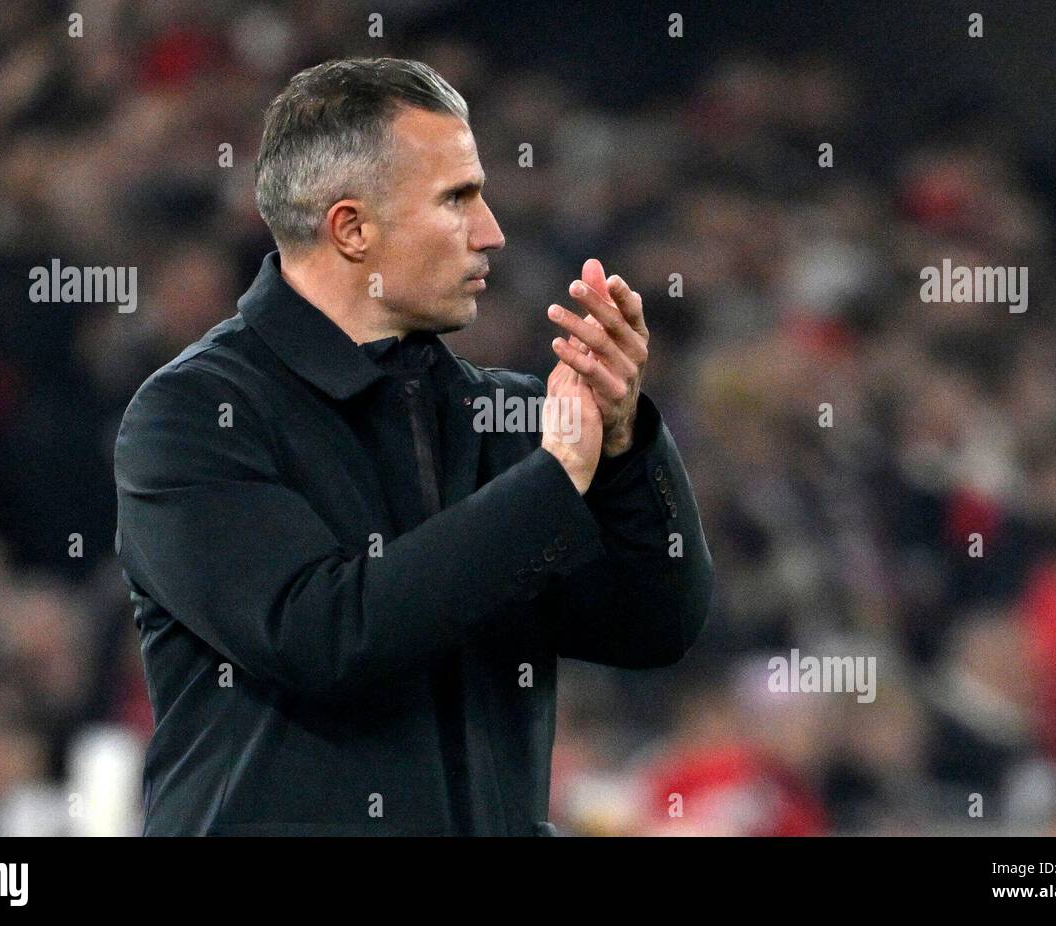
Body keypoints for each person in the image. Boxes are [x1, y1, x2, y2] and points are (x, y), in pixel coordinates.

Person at [113, 57, 713, 836]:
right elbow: (323, 637)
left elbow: (655, 628)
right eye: (457, 198)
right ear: (352, 228)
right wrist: (556, 477)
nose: (492, 231)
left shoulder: (510, 418)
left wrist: (628, 444)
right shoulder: (195, 415)